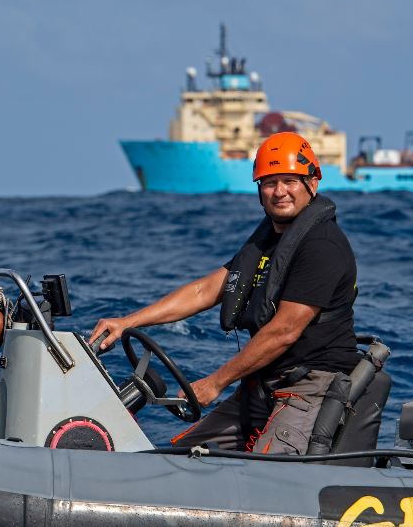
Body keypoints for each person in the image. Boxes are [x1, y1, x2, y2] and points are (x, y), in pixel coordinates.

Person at [89, 132, 361, 454]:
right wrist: (127, 322)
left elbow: (284, 331)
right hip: (263, 385)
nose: (279, 192)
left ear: (312, 183)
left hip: (310, 387)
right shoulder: (267, 242)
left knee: (266, 474)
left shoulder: (321, 246)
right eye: (269, 182)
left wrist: (216, 382)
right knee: (179, 458)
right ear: (259, 190)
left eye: (290, 180)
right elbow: (205, 290)